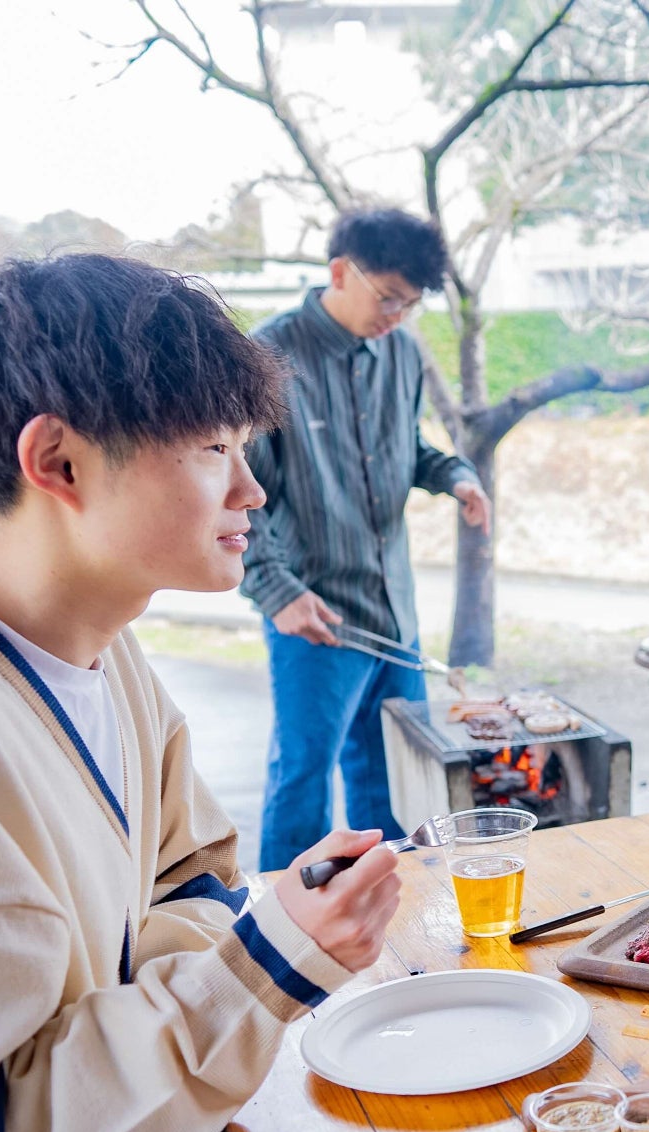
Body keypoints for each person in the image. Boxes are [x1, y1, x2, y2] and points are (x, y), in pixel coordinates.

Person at [0, 253, 403, 1132]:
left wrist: (228, 951)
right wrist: (261, 967)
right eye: (213, 450)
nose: (252, 490)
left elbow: (191, 880)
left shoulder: (106, 647)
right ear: (56, 461)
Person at [243, 207, 491, 875]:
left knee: (394, 784)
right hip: (315, 615)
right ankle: (279, 928)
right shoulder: (267, 356)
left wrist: (456, 477)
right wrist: (275, 590)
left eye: (410, 305)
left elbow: (406, 448)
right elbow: (239, 487)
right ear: (338, 272)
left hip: (394, 615)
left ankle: (390, 916)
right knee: (303, 778)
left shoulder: (403, 352)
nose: (397, 316)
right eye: (388, 298)